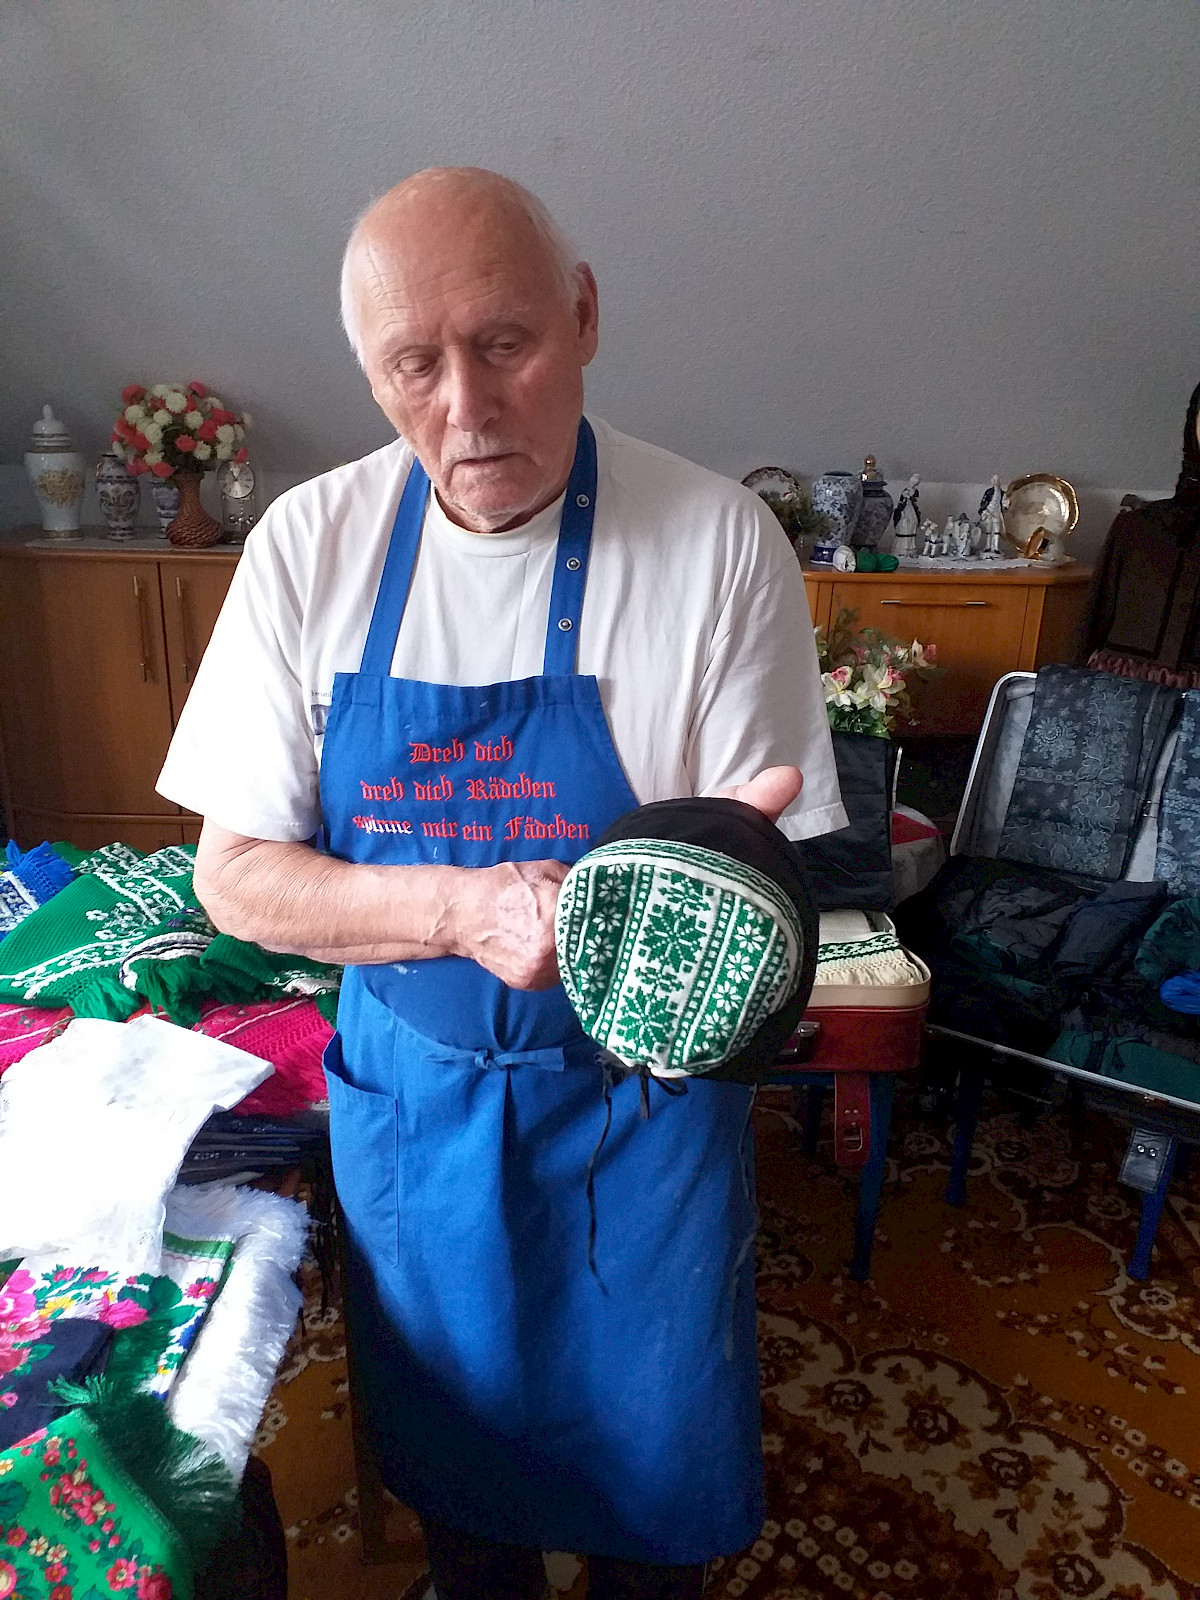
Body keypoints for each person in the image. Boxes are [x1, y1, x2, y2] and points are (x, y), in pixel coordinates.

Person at [158, 167, 846, 1600]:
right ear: (370, 372)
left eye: (506, 343)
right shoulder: (308, 547)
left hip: (641, 1121)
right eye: (414, 364)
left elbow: (779, 880)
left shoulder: (719, 544)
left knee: (651, 1496)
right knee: (464, 1488)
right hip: (420, 1115)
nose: (466, 407)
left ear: (583, 315)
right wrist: (463, 910)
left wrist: (735, 892)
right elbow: (237, 879)